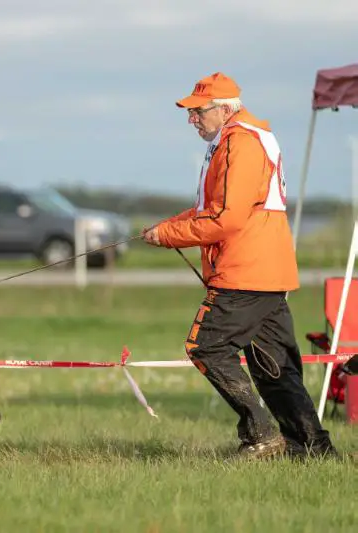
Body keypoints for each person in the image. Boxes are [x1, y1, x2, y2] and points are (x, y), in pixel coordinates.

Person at [141, 72, 337, 460]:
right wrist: (166, 228)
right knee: (274, 367)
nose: (191, 119)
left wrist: (170, 236)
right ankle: (313, 449)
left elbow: (227, 220)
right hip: (267, 270)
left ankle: (260, 435)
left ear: (224, 109)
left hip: (245, 270)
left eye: (198, 111)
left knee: (206, 347)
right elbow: (209, 210)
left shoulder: (240, 143)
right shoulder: (242, 139)